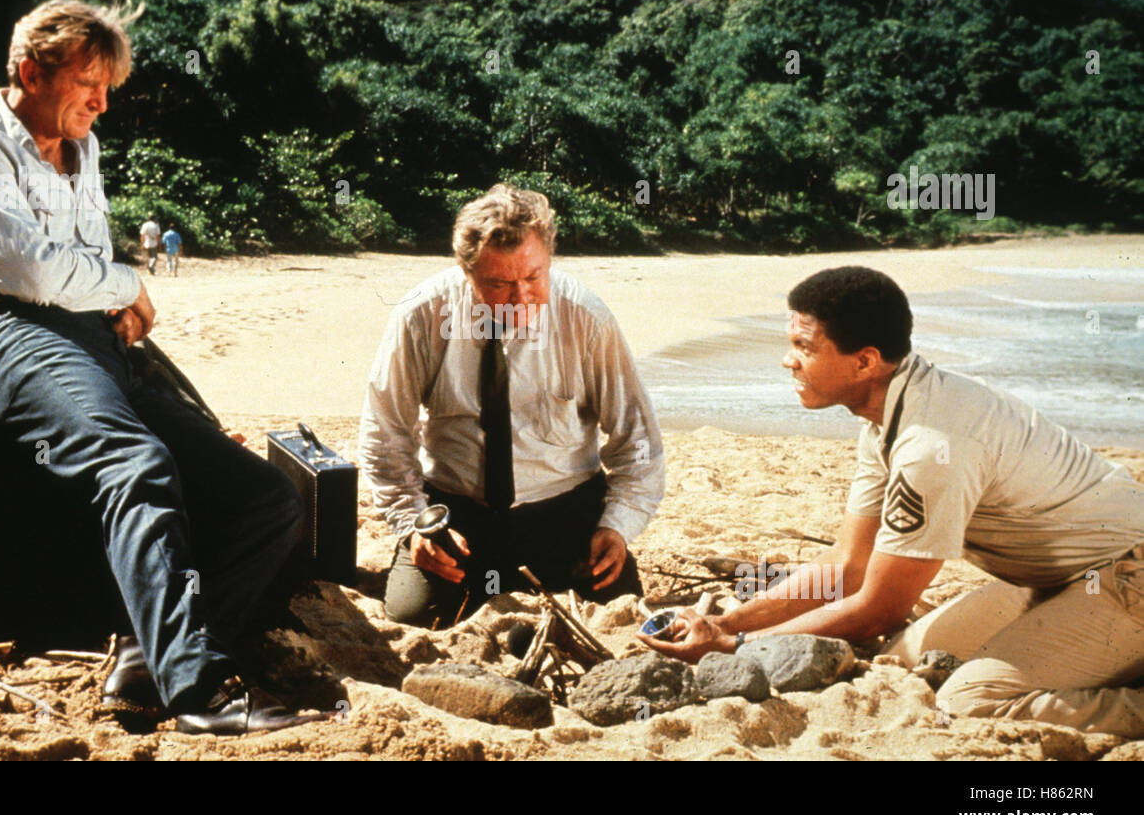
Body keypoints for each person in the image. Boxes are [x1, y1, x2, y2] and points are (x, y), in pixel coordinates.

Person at [0, 0, 325, 734]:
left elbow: (81, 259)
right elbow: (29, 273)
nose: (102, 104)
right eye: (86, 84)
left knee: (267, 497)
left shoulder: (84, 149)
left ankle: (146, 652)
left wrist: (110, 295)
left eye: (110, 88)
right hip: (9, 336)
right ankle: (203, 695)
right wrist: (129, 285)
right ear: (29, 71)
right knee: (134, 464)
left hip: (94, 341)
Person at [642, 266, 1144, 738]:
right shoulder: (889, 411)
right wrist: (727, 622)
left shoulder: (932, 444)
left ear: (865, 361)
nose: (787, 359)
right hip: (1057, 580)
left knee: (972, 700)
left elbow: (879, 608)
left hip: (1126, 579)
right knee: (900, 660)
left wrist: (740, 648)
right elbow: (847, 565)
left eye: (803, 346)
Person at [359, 183, 665, 628]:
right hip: (454, 512)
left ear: (550, 260)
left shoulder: (586, 317)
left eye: (533, 277)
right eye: (500, 284)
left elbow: (638, 440)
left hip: (565, 509)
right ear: (467, 273)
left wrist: (616, 525)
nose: (521, 297)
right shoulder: (421, 314)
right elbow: (384, 434)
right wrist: (413, 525)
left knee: (622, 613)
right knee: (412, 615)